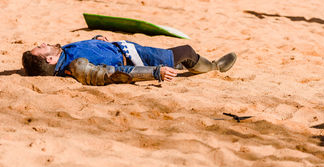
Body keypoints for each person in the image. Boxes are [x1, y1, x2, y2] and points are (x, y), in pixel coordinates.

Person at [22, 35, 237, 86]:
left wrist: (98, 39)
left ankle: (181, 65)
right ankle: (214, 67)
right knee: (186, 50)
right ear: (49, 60)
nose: (42, 43)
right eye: (40, 48)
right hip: (136, 58)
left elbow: (87, 48)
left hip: (126, 47)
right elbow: (112, 74)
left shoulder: (63, 53)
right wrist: (154, 72)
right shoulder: (76, 66)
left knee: (178, 59)